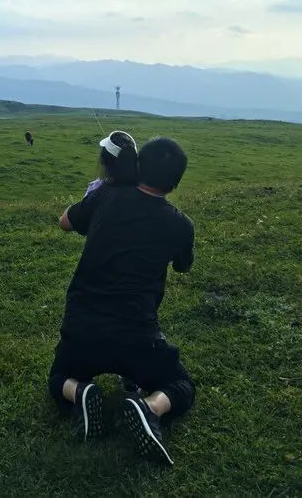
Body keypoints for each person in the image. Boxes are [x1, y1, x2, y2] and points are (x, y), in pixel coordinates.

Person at [49, 133, 195, 465]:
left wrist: (94, 194)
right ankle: (151, 407)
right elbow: (183, 266)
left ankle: (80, 392)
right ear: (175, 183)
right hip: (138, 335)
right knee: (180, 384)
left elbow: (65, 223)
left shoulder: (106, 195)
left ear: (139, 166)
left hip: (82, 329)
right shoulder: (180, 224)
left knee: (59, 378)